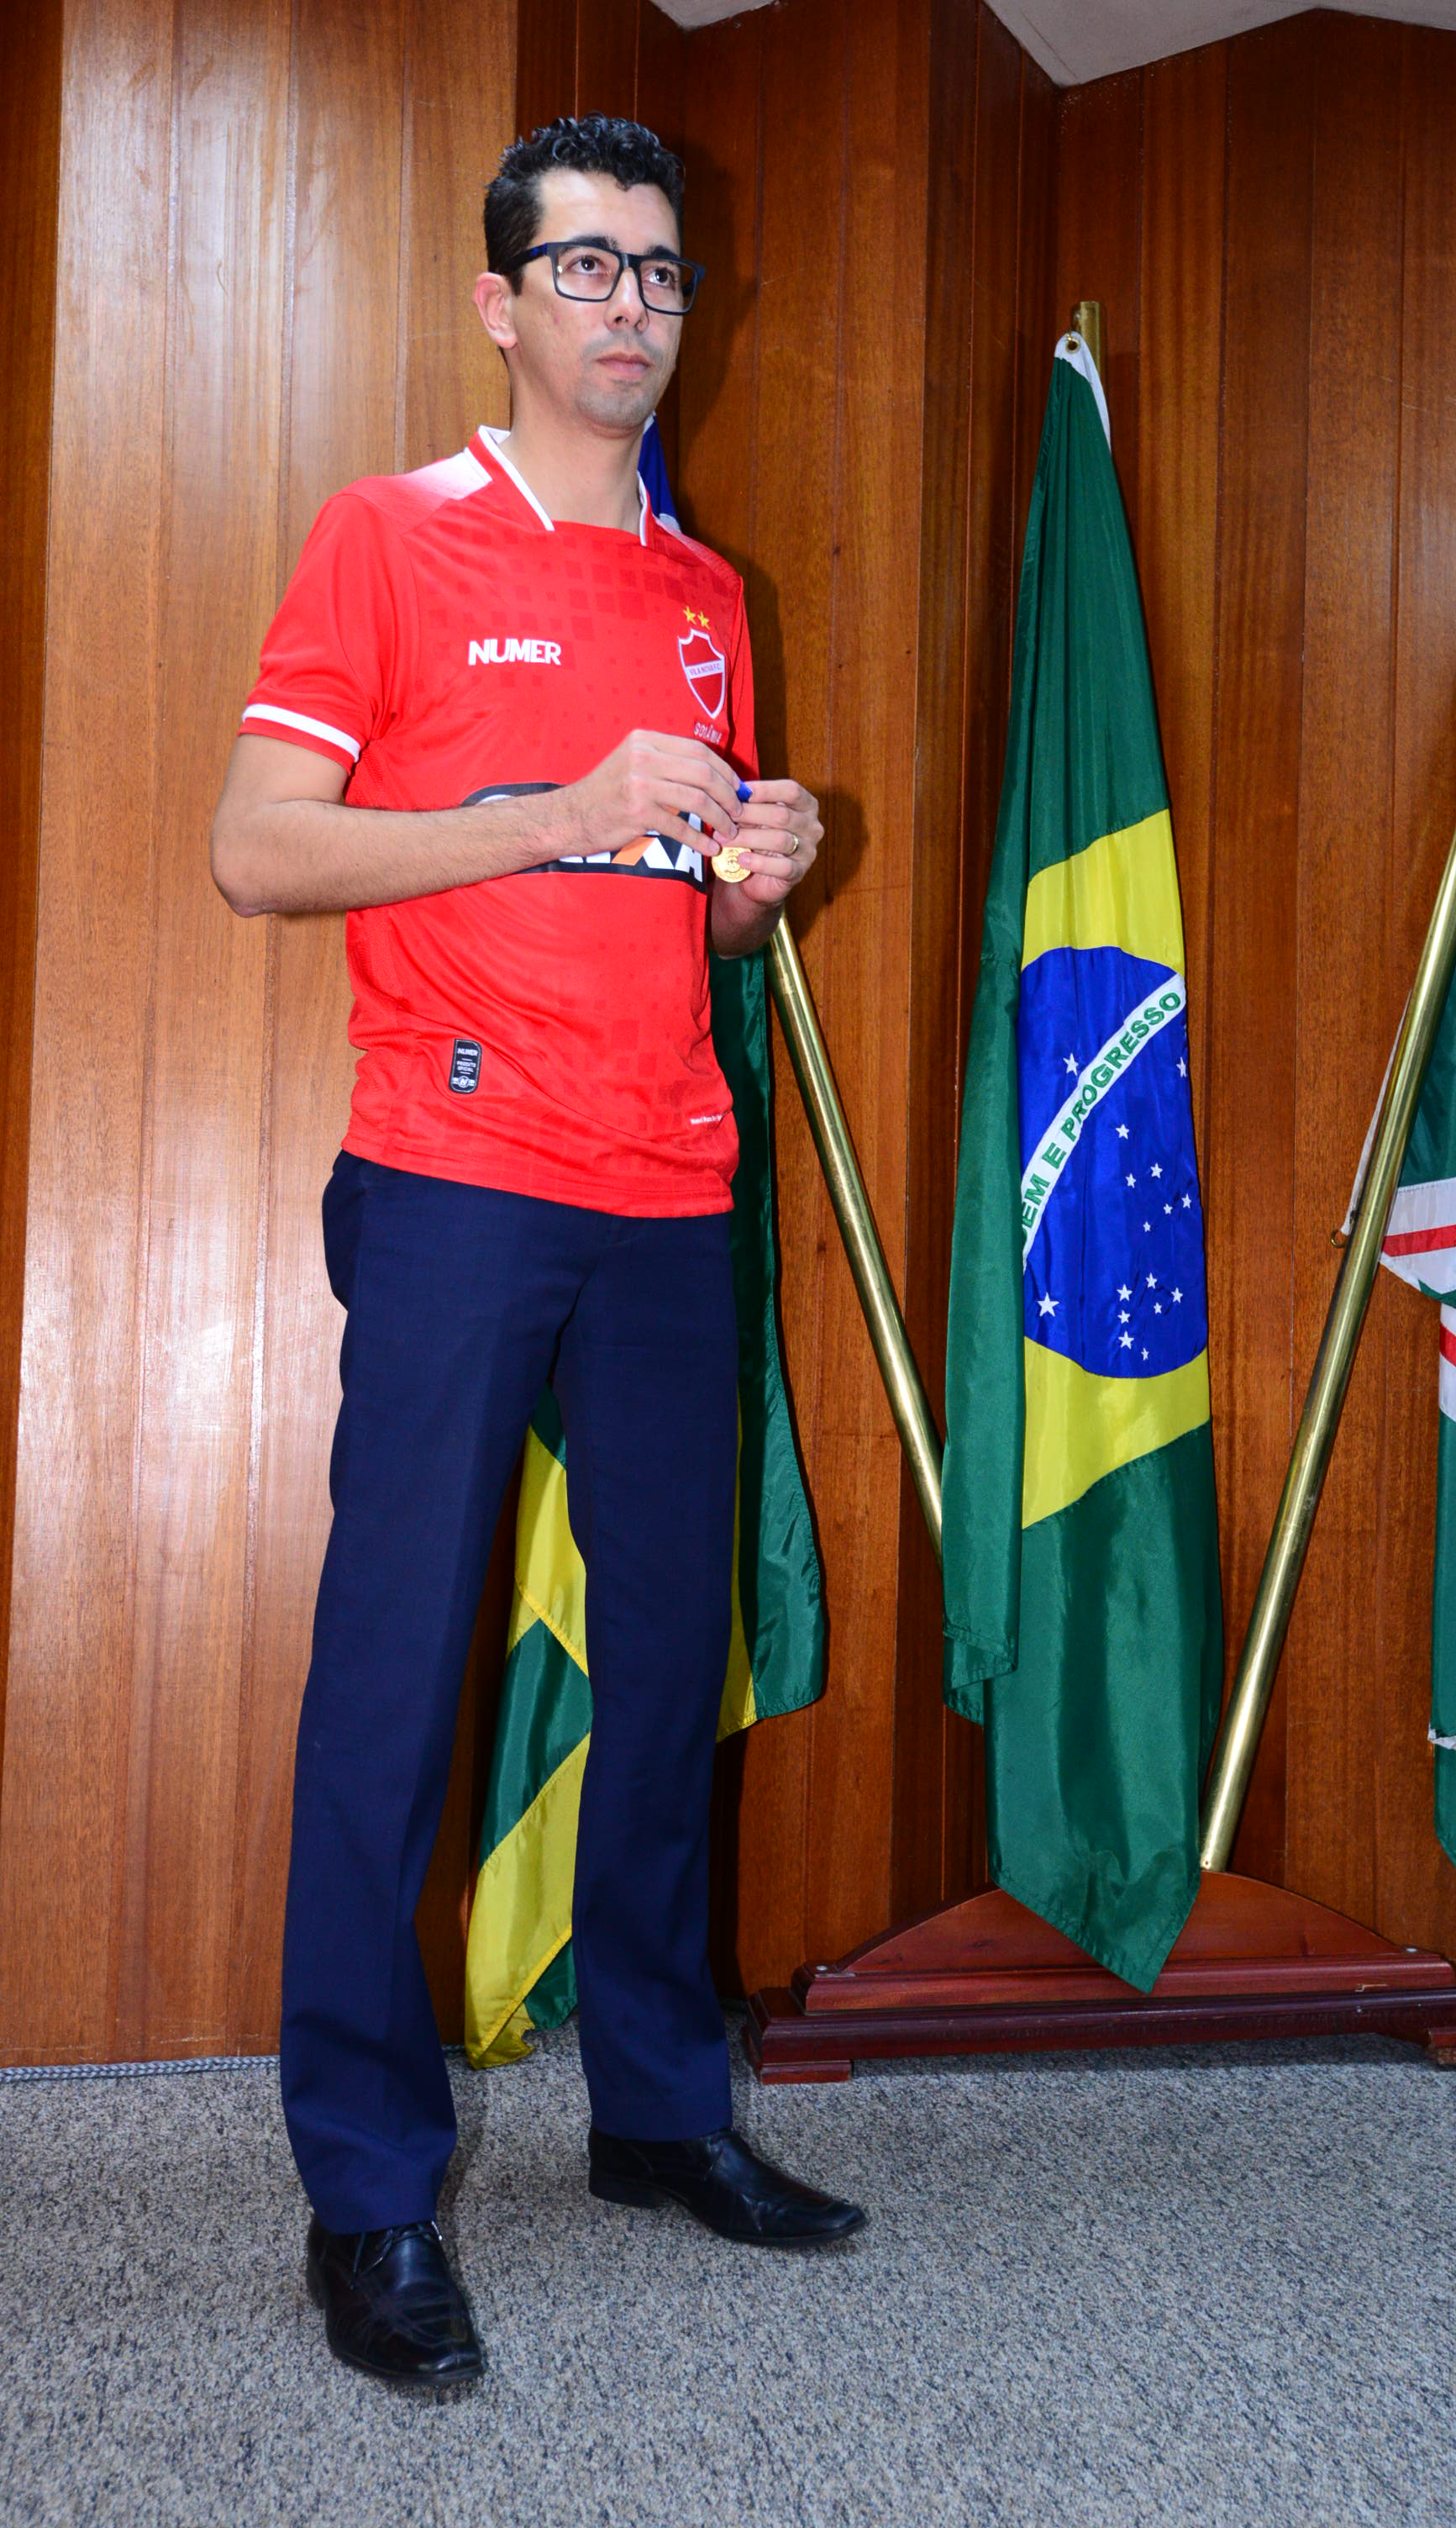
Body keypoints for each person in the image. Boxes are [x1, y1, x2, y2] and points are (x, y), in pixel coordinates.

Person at [210, 113, 865, 2390]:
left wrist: (755, 877)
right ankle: (367, 2192)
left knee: (671, 1669)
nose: (630, 306)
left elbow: (689, 913)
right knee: (398, 1680)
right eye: (584, 266)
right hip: (459, 1171)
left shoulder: (710, 595)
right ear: (500, 303)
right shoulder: (386, 535)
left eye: (659, 271)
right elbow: (259, 850)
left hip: (671, 1183)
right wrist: (553, 810)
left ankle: (661, 2113)